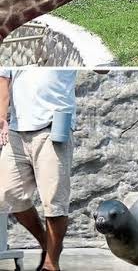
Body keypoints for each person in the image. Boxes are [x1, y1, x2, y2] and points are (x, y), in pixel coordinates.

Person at [0, 70, 78, 271]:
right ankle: (47, 243)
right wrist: (2, 117)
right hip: (17, 130)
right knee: (8, 194)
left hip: (53, 126)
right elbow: (4, 78)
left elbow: (100, 68)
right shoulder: (14, 40)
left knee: (54, 202)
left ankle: (51, 264)